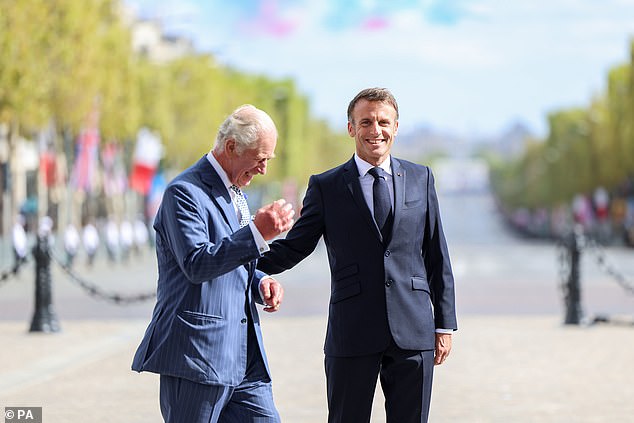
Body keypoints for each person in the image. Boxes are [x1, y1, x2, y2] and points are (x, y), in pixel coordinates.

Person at [257, 88, 457, 423]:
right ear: (351, 128)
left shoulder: (421, 178)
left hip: (413, 332)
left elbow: (437, 254)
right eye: (365, 121)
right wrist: (240, 257)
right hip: (352, 331)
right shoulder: (326, 186)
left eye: (383, 122)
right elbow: (296, 247)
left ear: (396, 127)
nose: (375, 130)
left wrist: (445, 325)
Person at [132, 104, 295, 423]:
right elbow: (197, 263)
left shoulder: (238, 193)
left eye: (268, 160)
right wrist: (257, 234)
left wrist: (259, 282)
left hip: (244, 359)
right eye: (260, 158)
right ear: (232, 147)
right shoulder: (184, 193)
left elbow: (232, 261)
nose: (263, 169)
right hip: (198, 356)